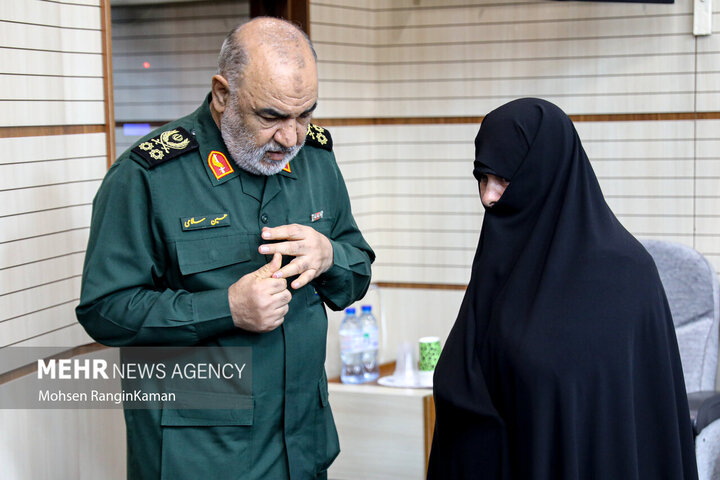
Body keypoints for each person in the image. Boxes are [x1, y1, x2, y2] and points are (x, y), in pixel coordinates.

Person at [76, 17, 374, 480]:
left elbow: (356, 273)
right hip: (200, 456)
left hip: (301, 447)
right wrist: (226, 308)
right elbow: (104, 310)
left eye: (305, 115)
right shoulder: (148, 175)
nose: (291, 138)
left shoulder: (315, 160)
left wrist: (330, 256)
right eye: (271, 117)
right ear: (221, 94)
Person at [428, 98, 698, 479]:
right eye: (483, 179)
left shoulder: (630, 277)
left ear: (543, 172)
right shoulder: (500, 264)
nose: (488, 196)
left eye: (503, 179)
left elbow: (640, 421)